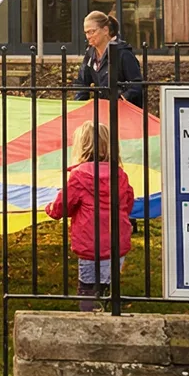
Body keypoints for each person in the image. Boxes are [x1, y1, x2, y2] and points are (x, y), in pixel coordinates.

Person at [45, 121, 134, 312]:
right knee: (108, 287)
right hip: (116, 242)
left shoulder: (78, 176)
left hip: (89, 244)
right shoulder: (119, 175)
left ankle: (88, 321)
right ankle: (108, 316)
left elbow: (63, 206)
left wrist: (50, 209)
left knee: (87, 288)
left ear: (81, 146)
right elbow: (128, 202)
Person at [74, 12, 146, 107]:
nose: (88, 36)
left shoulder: (123, 53)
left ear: (105, 30)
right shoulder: (90, 53)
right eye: (86, 32)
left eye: (92, 31)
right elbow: (82, 83)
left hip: (124, 111)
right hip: (102, 111)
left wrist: (122, 98)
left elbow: (137, 84)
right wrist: (81, 106)